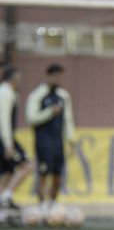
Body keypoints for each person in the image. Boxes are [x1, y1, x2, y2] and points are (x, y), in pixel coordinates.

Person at [26, 63, 76, 215]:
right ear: (48, 76)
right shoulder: (37, 95)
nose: (58, 79)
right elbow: (31, 118)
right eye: (55, 76)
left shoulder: (63, 96)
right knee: (43, 174)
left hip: (58, 142)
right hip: (43, 141)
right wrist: (49, 112)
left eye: (60, 76)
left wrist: (71, 141)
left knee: (58, 177)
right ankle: (41, 205)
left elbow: (68, 120)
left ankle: (53, 204)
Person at [0, 65, 34, 221]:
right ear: (13, 78)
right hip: (4, 139)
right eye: (19, 79)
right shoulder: (6, 93)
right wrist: (8, 143)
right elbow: (3, 118)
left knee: (6, 173)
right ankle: (6, 196)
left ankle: (2, 212)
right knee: (27, 165)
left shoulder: (7, 92)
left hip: (5, 138)